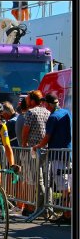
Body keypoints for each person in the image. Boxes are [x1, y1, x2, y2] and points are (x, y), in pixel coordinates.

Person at [32, 93, 72, 223]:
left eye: (45, 104)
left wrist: (38, 146)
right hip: (69, 154)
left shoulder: (53, 117)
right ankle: (67, 212)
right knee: (68, 184)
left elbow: (47, 137)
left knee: (64, 187)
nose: (45, 106)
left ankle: (67, 214)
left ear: (49, 104)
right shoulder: (67, 112)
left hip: (58, 156)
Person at [22, 90, 51, 217]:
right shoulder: (47, 112)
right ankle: (48, 206)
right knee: (46, 178)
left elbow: (26, 130)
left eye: (28, 99)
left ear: (33, 101)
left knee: (38, 179)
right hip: (46, 148)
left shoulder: (30, 112)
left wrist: (24, 144)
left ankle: (41, 207)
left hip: (34, 149)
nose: (26, 101)